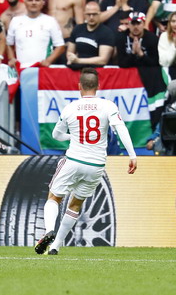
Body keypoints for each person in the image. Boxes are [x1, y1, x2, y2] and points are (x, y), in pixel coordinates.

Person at [35, 67, 137, 256]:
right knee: (75, 204)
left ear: (79, 86)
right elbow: (120, 129)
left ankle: (49, 230)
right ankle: (56, 246)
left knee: (54, 198)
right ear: (98, 86)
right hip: (96, 165)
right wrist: (132, 155)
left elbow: (56, 135)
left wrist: (72, 136)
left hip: (73, 160)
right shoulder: (108, 106)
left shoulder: (70, 108)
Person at [7, 0, 65, 69]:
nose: (33, 3)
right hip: (21, 69)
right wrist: (11, 58)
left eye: (37, 0)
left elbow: (60, 46)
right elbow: (9, 44)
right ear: (25, 2)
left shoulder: (50, 21)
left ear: (42, 3)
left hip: (42, 69)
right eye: (30, 0)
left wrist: (48, 60)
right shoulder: (15, 21)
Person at [66, 2, 115, 68]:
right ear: (84, 14)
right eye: (88, 14)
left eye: (94, 14)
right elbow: (69, 52)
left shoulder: (106, 32)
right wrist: (71, 58)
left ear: (99, 14)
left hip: (97, 71)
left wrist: (78, 61)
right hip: (76, 70)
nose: (91, 17)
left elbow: (103, 60)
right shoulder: (77, 29)